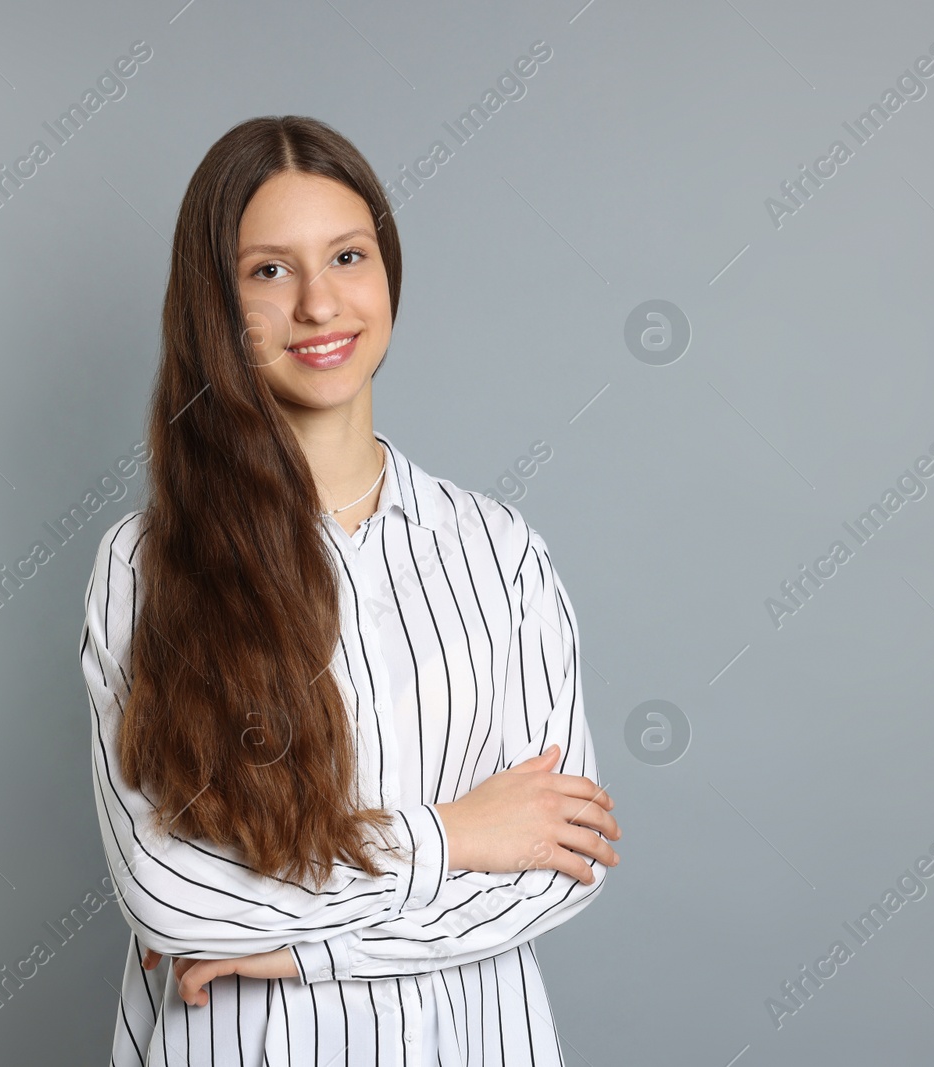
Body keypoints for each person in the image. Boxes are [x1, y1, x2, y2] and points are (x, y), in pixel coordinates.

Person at [79, 114, 621, 1067]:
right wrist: (454, 834)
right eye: (270, 270)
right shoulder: (147, 565)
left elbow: (556, 868)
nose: (320, 304)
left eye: (347, 255)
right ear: (217, 303)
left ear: (388, 271)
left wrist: (298, 949)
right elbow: (168, 891)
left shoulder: (500, 553)